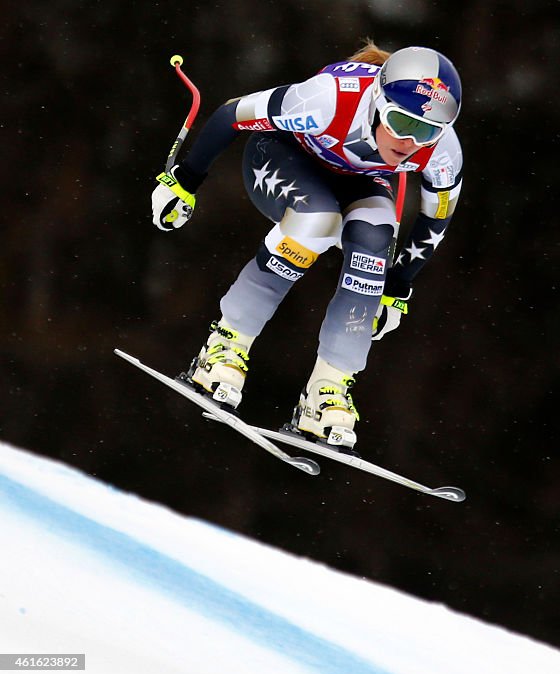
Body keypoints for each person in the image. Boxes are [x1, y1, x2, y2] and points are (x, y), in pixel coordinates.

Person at [149, 42, 463, 450]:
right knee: (318, 220)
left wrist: (397, 288)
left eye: (426, 132)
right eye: (401, 123)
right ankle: (224, 347)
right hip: (282, 157)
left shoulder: (443, 151)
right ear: (378, 102)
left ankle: (328, 389)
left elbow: (436, 218)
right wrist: (185, 182)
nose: (409, 142)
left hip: (354, 179)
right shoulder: (330, 99)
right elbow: (231, 113)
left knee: (377, 232)